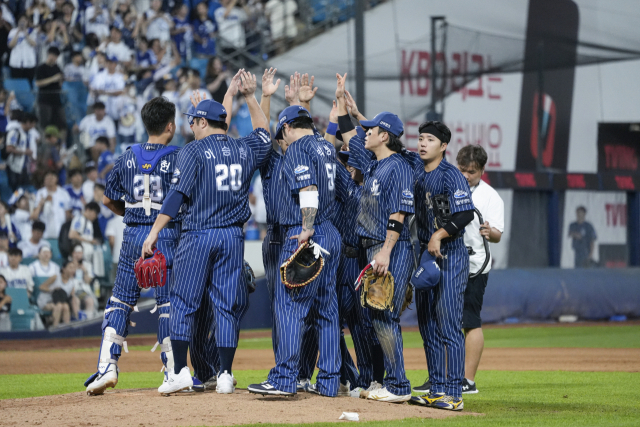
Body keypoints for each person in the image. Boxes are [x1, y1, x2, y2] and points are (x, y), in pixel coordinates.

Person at [142, 70, 271, 395]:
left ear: (201, 122)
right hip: (231, 237)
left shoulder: (193, 152)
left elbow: (176, 197)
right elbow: (265, 133)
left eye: (194, 120)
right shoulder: (244, 149)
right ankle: (225, 374)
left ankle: (182, 371)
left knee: (184, 302)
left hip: (198, 235)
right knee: (225, 306)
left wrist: (155, 231)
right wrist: (250, 96)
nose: (190, 126)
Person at [84, 96, 183, 396]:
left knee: (120, 301)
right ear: (170, 125)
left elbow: (106, 199)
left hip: (133, 236)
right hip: (164, 234)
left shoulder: (127, 156)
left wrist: (131, 214)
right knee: (167, 303)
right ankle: (172, 371)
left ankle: (106, 367)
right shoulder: (178, 156)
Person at [247, 102, 342, 397]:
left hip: (307, 232)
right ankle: (328, 382)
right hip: (331, 233)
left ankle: (285, 378)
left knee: (289, 307)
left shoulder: (299, 148)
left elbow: (308, 189)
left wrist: (307, 228)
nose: (281, 141)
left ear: (287, 127)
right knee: (327, 310)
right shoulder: (325, 147)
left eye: (281, 133)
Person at [331, 74, 415, 403]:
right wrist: (343, 103)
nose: (366, 133)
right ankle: (387, 382)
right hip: (372, 248)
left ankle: (398, 385)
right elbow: (353, 135)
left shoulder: (397, 167)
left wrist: (386, 253)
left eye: (372, 130)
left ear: (385, 136)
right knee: (375, 316)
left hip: (386, 246)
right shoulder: (375, 164)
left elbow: (399, 213)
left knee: (384, 315)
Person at [401, 121, 475, 412]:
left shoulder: (450, 175)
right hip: (426, 255)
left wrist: (439, 234)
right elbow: (386, 144)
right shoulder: (415, 167)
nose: (422, 143)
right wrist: (351, 114)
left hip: (451, 254)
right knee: (427, 325)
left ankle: (454, 393)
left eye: (429, 139)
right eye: (420, 138)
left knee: (448, 322)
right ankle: (437, 387)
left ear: (443, 146)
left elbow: (465, 213)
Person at [35, 47, 67, 141]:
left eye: (55, 56)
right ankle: (44, 144)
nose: (53, 57)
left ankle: (61, 145)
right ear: (48, 55)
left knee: (62, 123)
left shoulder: (57, 68)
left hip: (56, 100)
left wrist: (61, 80)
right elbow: (38, 83)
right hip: (45, 100)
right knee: (45, 124)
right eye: (51, 54)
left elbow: (61, 81)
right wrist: (53, 79)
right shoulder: (41, 68)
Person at [31, 170, 72, 239]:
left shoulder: (64, 193)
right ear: (44, 180)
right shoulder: (40, 193)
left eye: (52, 178)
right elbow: (35, 213)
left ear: (56, 179)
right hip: (45, 230)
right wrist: (42, 204)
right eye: (47, 178)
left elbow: (67, 213)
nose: (50, 180)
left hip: (60, 229)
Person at [39, 260, 78, 327]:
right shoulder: (56, 277)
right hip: (46, 301)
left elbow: (71, 296)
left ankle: (67, 327)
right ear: (64, 269)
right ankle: (55, 327)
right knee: (59, 306)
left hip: (60, 301)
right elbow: (41, 287)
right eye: (70, 268)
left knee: (66, 306)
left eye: (74, 268)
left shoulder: (72, 282)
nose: (73, 270)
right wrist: (52, 290)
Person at [5, 112, 37, 191]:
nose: (33, 126)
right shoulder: (15, 132)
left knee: (23, 189)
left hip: (23, 167)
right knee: (14, 189)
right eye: (33, 124)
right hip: (13, 167)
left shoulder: (28, 134)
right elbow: (9, 148)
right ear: (28, 122)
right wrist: (24, 152)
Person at [89, 55, 126, 123]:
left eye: (112, 63)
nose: (110, 64)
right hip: (102, 106)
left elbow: (121, 92)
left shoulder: (120, 77)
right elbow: (93, 89)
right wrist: (101, 92)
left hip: (116, 107)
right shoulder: (99, 75)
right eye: (108, 62)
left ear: (115, 64)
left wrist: (105, 92)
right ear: (106, 63)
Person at [70, 244, 98, 319]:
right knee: (76, 300)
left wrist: (84, 271)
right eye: (76, 253)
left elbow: (87, 281)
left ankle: (88, 320)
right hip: (71, 290)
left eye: (79, 253)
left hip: (82, 291)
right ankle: (78, 321)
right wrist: (74, 267)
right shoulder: (68, 264)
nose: (78, 255)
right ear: (73, 253)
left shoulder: (87, 265)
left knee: (89, 300)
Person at [8, 15, 38, 82]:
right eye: (21, 21)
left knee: (29, 83)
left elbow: (34, 44)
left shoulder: (32, 31)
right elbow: (11, 45)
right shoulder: (13, 31)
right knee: (16, 83)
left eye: (24, 21)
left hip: (29, 62)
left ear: (27, 22)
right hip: (16, 62)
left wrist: (25, 33)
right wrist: (17, 32)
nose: (22, 22)